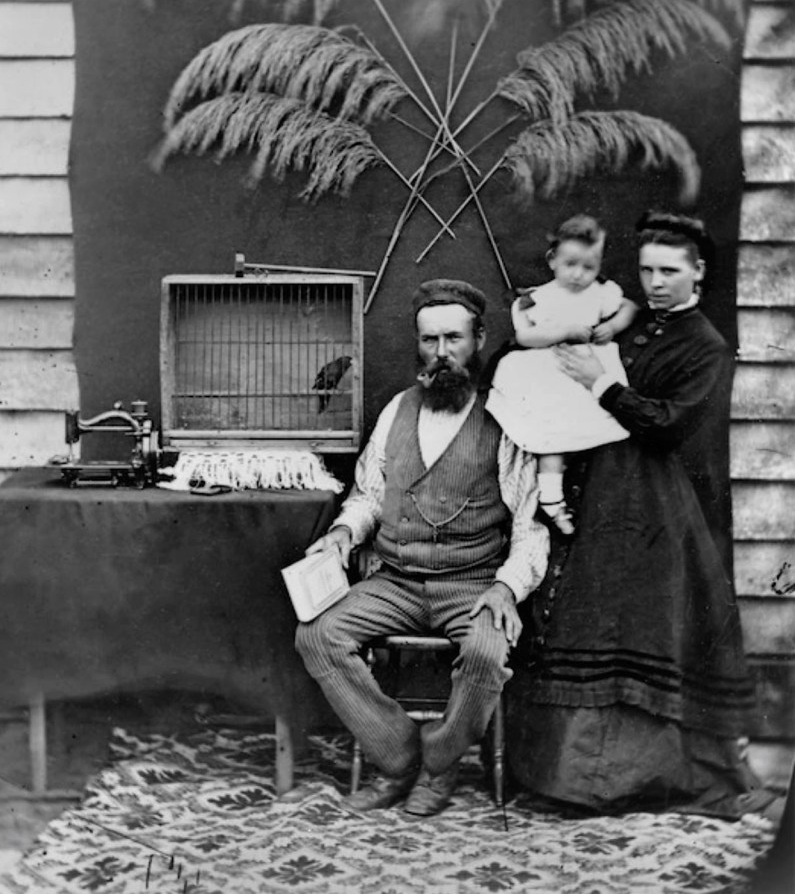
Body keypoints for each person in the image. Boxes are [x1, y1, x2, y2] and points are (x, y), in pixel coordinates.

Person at [505, 210, 760, 818]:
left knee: (635, 626)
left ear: (699, 272)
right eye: (646, 269)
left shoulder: (706, 344)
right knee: (588, 619)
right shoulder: (636, 320)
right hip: (603, 488)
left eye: (669, 271)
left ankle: (629, 779)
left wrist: (600, 384)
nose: (655, 282)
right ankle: (567, 776)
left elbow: (670, 426)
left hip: (652, 501)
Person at [295, 278, 549, 816]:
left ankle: (441, 762)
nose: (441, 353)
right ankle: (397, 758)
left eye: (453, 339)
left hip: (473, 582)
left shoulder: (506, 419)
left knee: (486, 650)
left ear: (479, 339)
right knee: (317, 634)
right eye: (429, 340)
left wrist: (507, 587)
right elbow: (368, 495)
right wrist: (343, 533)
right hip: (396, 579)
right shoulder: (396, 410)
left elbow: (530, 525)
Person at [485, 214, 637, 535]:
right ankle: (552, 501)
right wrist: (563, 330)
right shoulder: (541, 297)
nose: (580, 275)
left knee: (601, 435)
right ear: (552, 260)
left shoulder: (600, 292)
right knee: (552, 439)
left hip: (588, 374)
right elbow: (525, 337)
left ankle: (595, 502)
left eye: (589, 267)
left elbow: (629, 308)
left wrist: (612, 325)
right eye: (571, 264)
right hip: (552, 375)